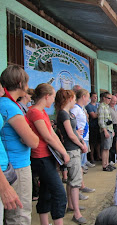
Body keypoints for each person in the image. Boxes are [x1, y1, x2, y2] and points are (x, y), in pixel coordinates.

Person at [0, 65, 39, 225]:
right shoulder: (10, 106)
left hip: (9, 164)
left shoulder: (4, 103)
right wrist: (29, 136)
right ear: (20, 83)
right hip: (18, 165)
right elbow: (33, 141)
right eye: (27, 82)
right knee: (20, 216)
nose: (28, 87)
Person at [27, 83, 69, 225]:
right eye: (52, 96)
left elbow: (52, 134)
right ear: (46, 96)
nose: (53, 100)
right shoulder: (34, 112)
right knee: (59, 193)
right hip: (40, 157)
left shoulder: (42, 112)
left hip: (46, 156)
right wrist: (64, 152)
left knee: (46, 192)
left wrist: (62, 150)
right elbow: (48, 137)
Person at [55, 88, 88, 224]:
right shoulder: (63, 114)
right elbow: (70, 134)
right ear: (68, 99)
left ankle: (72, 205)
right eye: (74, 98)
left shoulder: (67, 113)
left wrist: (80, 140)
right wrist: (81, 145)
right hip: (71, 149)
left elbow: (74, 131)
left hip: (74, 147)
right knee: (75, 182)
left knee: (71, 180)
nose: (75, 100)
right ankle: (76, 213)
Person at [98, 92, 115, 171]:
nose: (110, 100)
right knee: (105, 148)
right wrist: (105, 131)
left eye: (110, 98)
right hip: (106, 129)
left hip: (110, 129)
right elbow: (101, 121)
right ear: (104, 98)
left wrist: (112, 130)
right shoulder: (102, 107)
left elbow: (109, 120)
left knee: (108, 148)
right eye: (108, 98)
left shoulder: (107, 106)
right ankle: (104, 165)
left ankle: (107, 163)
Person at [85, 91, 101, 163]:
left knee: (98, 142)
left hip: (98, 126)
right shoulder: (89, 106)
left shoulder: (98, 105)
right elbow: (93, 116)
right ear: (91, 97)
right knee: (92, 143)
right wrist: (100, 114)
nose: (95, 98)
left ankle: (98, 156)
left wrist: (97, 113)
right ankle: (91, 157)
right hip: (92, 126)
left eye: (96, 97)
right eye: (94, 97)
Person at [108, 95, 117, 164]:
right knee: (111, 144)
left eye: (115, 101)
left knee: (115, 143)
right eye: (113, 101)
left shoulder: (114, 108)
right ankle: (111, 159)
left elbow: (116, 119)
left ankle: (114, 158)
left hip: (116, 126)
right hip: (111, 126)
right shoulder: (108, 108)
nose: (114, 102)